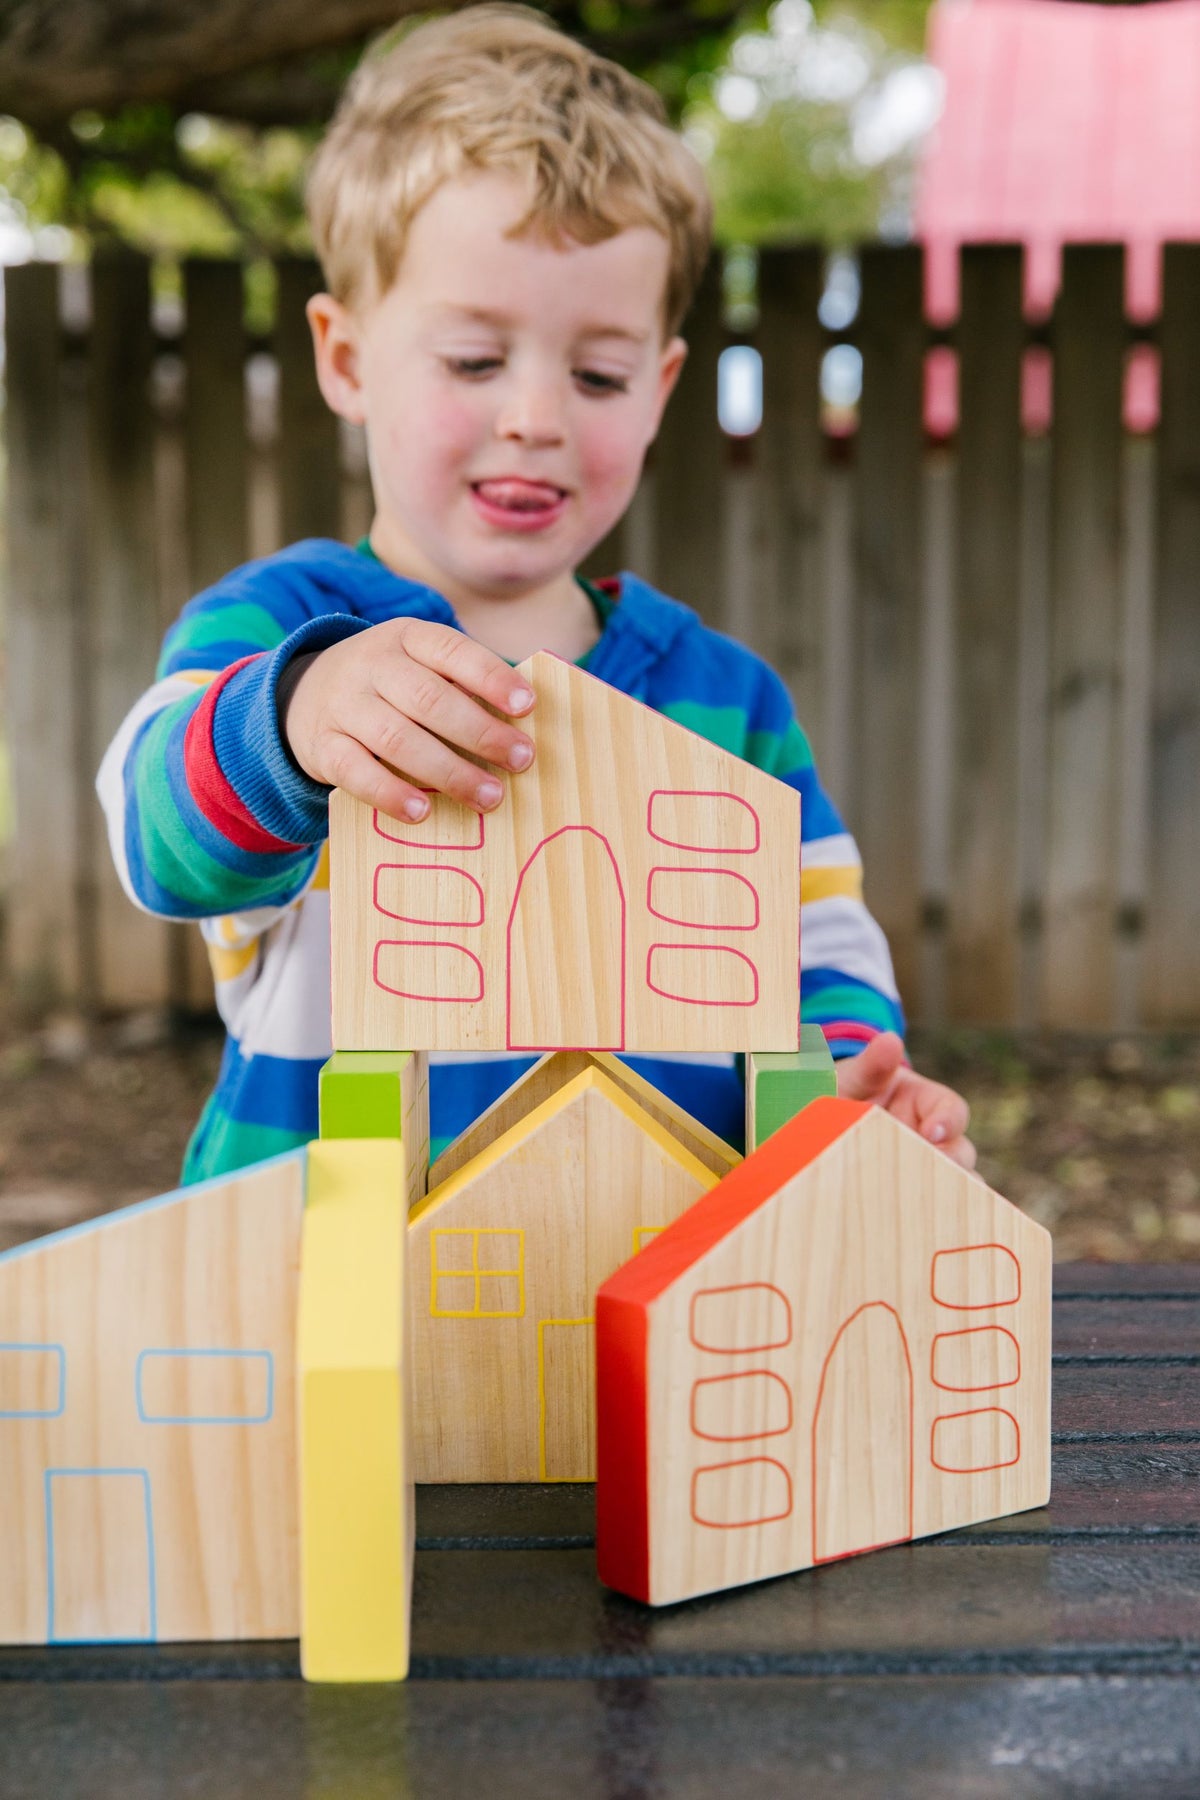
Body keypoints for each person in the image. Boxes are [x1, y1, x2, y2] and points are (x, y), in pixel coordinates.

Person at [97, 2, 974, 1182]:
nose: (536, 418)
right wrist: (295, 721)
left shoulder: (727, 701)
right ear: (346, 358)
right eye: (472, 360)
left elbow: (816, 945)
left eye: (599, 373)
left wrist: (854, 1088)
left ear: (661, 389)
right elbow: (162, 838)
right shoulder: (278, 632)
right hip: (321, 1294)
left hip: (655, 1293)